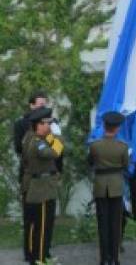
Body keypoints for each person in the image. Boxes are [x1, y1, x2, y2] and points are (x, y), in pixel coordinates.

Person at [22, 106, 64, 265]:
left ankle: (37, 257)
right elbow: (55, 152)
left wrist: (51, 135)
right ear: (38, 125)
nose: (49, 126)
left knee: (35, 225)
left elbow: (49, 144)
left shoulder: (31, 137)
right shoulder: (37, 143)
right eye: (47, 123)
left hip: (38, 187)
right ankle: (40, 259)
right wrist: (58, 135)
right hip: (42, 189)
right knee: (43, 226)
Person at [88, 111, 129, 265]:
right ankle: (115, 258)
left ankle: (104, 259)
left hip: (100, 187)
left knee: (102, 223)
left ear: (104, 126)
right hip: (116, 187)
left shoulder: (95, 146)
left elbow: (90, 163)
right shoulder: (122, 147)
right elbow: (125, 165)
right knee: (115, 224)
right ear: (117, 128)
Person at [14, 90, 48, 264]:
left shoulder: (48, 124)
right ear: (32, 105)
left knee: (45, 218)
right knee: (30, 217)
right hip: (29, 174)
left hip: (46, 177)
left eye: (45, 104)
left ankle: (43, 251)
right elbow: (19, 149)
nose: (44, 108)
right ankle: (29, 253)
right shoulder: (21, 124)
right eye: (41, 104)